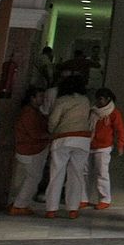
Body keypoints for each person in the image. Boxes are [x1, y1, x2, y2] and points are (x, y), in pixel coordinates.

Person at [44, 76, 93, 218]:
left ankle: (51, 209)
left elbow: (53, 120)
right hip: (82, 140)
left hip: (62, 139)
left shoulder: (61, 101)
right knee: (76, 174)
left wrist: (52, 131)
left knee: (56, 173)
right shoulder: (85, 101)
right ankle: (73, 209)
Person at [8, 87, 52, 215]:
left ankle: (20, 203)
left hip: (31, 148)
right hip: (31, 149)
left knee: (31, 178)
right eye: (40, 96)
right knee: (33, 178)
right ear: (32, 98)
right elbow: (34, 133)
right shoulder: (29, 113)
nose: (43, 99)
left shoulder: (33, 112)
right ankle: (19, 205)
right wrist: (50, 135)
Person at [89, 88, 124, 210]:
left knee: (102, 173)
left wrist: (120, 145)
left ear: (107, 99)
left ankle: (105, 198)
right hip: (89, 145)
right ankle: (83, 198)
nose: (98, 101)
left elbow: (120, 130)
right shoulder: (93, 111)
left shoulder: (114, 113)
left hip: (104, 146)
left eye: (101, 99)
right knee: (86, 173)